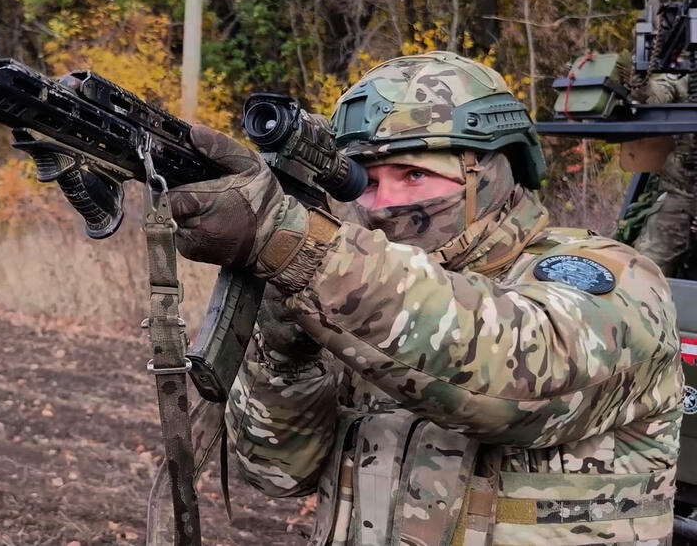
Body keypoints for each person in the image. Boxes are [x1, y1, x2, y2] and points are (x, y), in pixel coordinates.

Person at [168, 52, 682, 544]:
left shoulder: (615, 276)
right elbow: (278, 475)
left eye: (414, 174)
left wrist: (293, 243)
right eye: (365, 182)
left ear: (492, 170)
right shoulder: (350, 286)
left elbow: (514, 385)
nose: (384, 205)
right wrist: (286, 357)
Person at [632, 72, 694, 278]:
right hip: (682, 194)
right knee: (645, 270)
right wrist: (640, 81)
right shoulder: (685, 82)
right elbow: (654, 98)